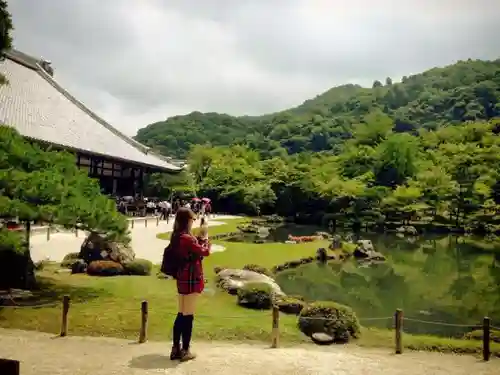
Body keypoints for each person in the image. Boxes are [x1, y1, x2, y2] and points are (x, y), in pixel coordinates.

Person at [169, 208, 210, 362]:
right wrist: (205, 238)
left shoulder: (177, 236)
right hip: (192, 278)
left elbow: (192, 251)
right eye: (192, 220)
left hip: (182, 278)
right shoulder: (187, 238)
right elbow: (204, 252)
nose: (193, 222)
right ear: (187, 220)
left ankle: (175, 349)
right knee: (188, 316)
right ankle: (185, 350)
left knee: (181, 314)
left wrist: (198, 238)